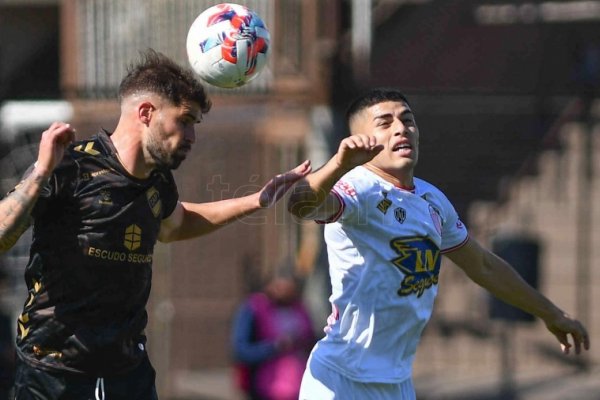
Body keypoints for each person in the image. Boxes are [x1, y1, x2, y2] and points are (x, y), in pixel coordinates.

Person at [0, 49, 311, 400]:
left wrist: (257, 199)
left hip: (127, 369)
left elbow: (175, 224)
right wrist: (41, 172)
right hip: (54, 370)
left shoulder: (157, 183)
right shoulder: (70, 168)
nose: (192, 137)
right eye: (185, 120)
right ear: (146, 112)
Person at [287, 88, 590, 400]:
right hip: (340, 380)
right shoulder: (356, 190)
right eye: (385, 123)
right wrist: (338, 163)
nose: (401, 128)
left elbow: (483, 266)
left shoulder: (432, 200)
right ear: (361, 140)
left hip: (397, 384)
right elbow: (299, 205)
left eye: (407, 120)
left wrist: (550, 312)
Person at [231, 273, 315, 400]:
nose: (284, 292)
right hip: (265, 387)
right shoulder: (254, 308)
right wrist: (274, 347)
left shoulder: (300, 309)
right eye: (279, 287)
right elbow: (241, 350)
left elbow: (311, 339)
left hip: (298, 384)